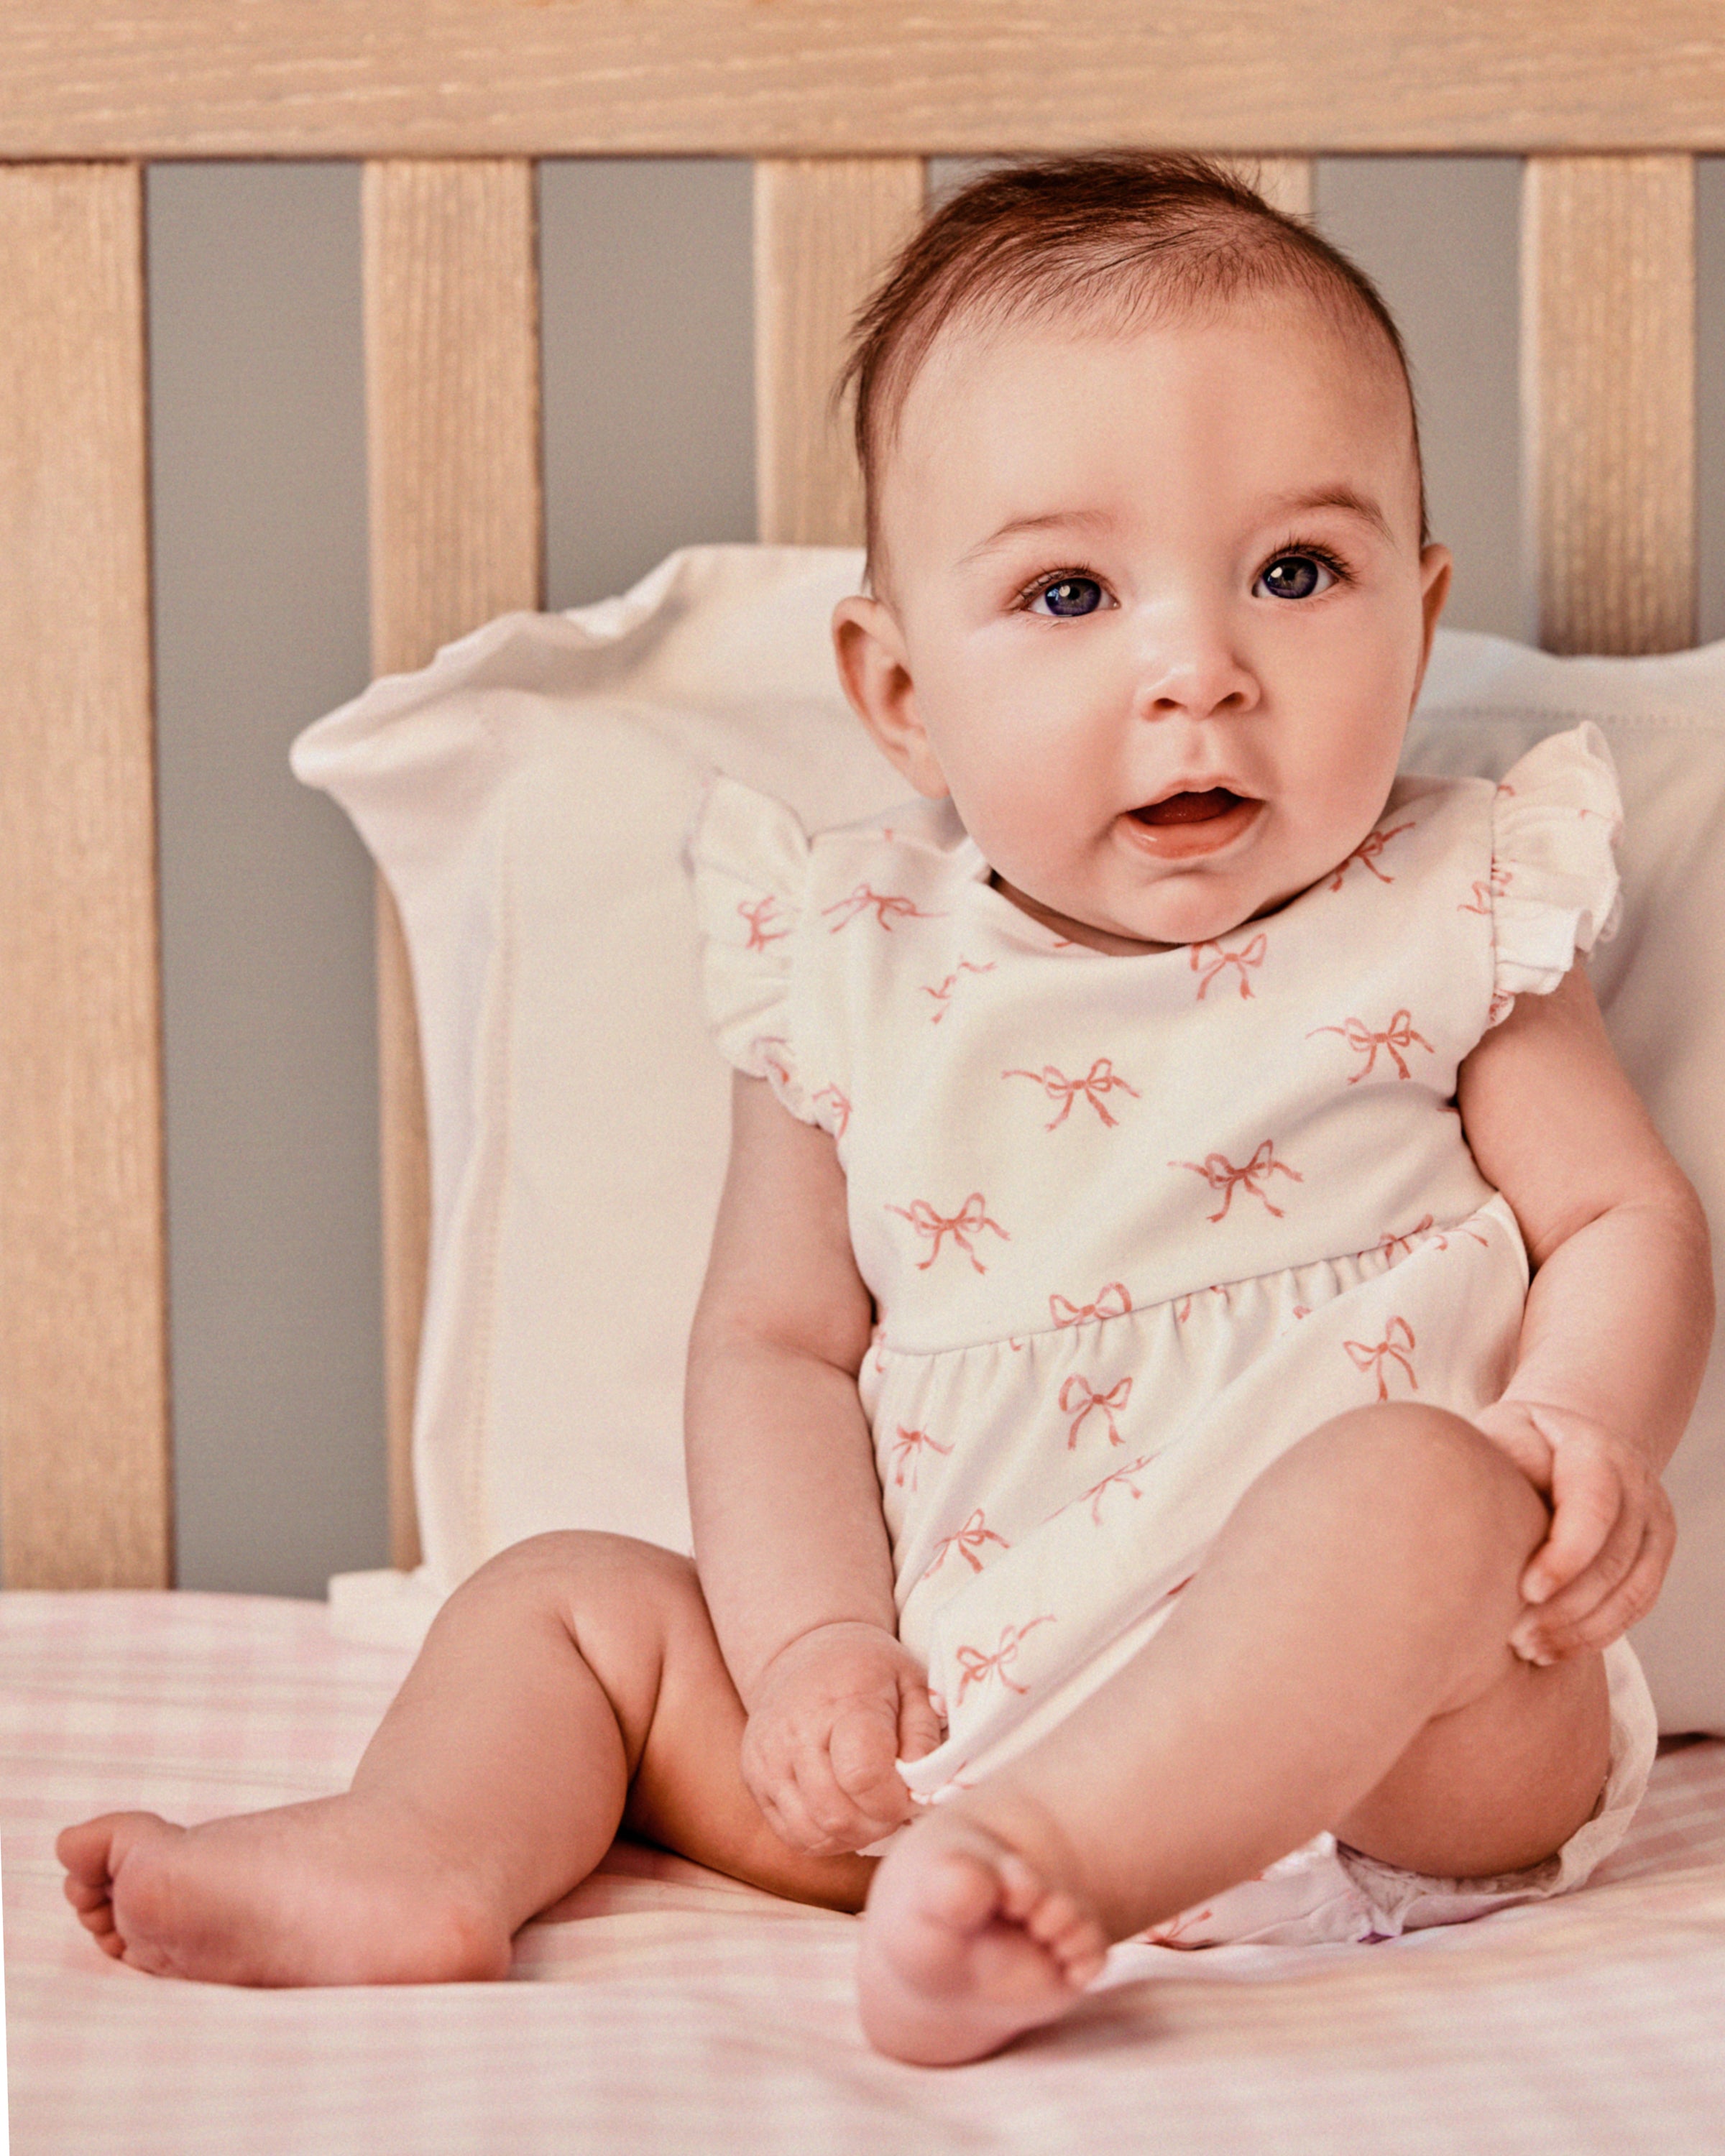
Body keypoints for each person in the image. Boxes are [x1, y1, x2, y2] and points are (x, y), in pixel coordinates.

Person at [59, 154, 1711, 2069]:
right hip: (940, 1723)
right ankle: (419, 1850)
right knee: (565, 1603)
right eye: (1071, 591)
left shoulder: (1456, 902)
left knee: (1422, 1486)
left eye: (1295, 571)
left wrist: (1582, 1433)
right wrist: (819, 1649)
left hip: (1399, 1754)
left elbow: (1622, 1219)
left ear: (1416, 624)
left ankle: (1061, 1864)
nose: (1199, 671)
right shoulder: (844, 963)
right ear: (902, 693)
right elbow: (771, 1349)